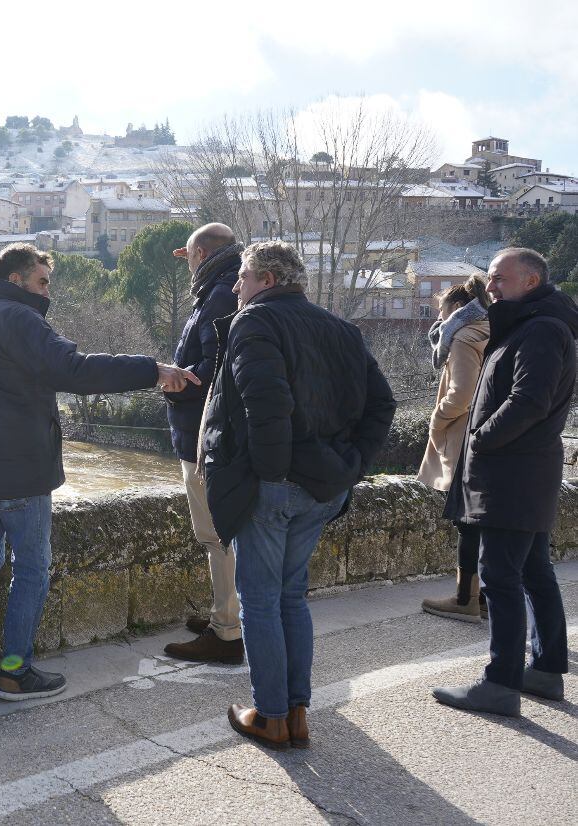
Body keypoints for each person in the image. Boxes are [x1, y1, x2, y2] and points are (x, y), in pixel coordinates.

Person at [0, 242, 199, 701]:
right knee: (33, 569)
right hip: (22, 470)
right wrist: (152, 370)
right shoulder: (20, 319)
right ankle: (14, 673)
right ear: (17, 279)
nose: (47, 292)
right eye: (42, 282)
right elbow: (73, 370)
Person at [201, 241, 395, 748]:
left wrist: (268, 473)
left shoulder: (255, 323)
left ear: (265, 279)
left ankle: (269, 717)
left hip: (276, 488)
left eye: (242, 278)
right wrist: (352, 465)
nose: (237, 288)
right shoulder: (341, 329)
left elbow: (266, 405)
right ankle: (297, 714)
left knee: (260, 601)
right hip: (324, 486)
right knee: (291, 597)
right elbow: (383, 403)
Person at [433, 247, 575, 716]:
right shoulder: (533, 324)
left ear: (530, 281)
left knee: (499, 577)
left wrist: (481, 439)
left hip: (511, 474)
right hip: (523, 471)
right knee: (533, 570)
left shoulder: (540, 330)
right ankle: (546, 670)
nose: (489, 287)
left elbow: (530, 400)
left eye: (499, 279)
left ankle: (500, 683)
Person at [160, 223, 245, 664]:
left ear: (201, 253)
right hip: (214, 435)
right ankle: (227, 616)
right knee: (226, 536)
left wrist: (175, 383)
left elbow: (215, 368)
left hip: (205, 438)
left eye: (189, 255)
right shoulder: (230, 285)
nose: (187, 264)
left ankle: (227, 632)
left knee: (217, 537)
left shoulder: (218, 296)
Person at [418, 276, 491, 622]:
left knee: (466, 519)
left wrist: (437, 420)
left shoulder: (463, 336)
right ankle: (486, 598)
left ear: (457, 310)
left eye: (442, 313)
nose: (439, 322)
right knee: (486, 520)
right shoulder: (489, 330)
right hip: (488, 437)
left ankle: (466, 599)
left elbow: (462, 393)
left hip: (464, 438)